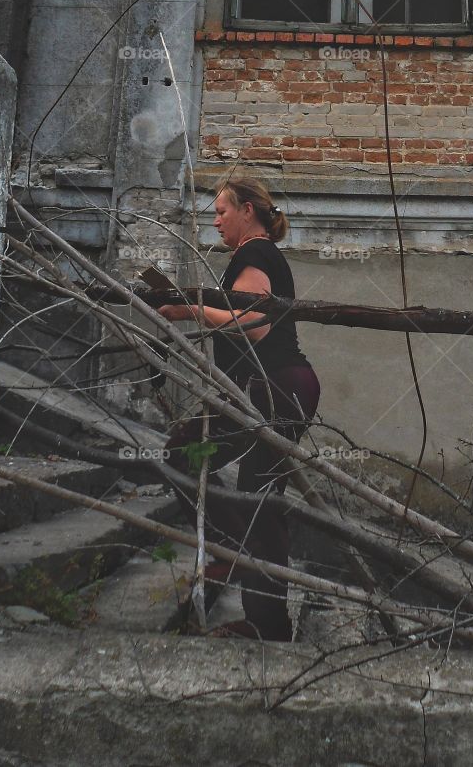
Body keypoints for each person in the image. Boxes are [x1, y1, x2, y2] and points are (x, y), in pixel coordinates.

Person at [158, 176, 320, 642]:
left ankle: (247, 585)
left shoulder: (256, 253)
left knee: (206, 467)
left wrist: (190, 308)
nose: (215, 220)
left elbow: (252, 324)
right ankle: (253, 594)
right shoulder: (258, 255)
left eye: (221, 211)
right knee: (251, 492)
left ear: (247, 210)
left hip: (276, 388)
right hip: (275, 388)